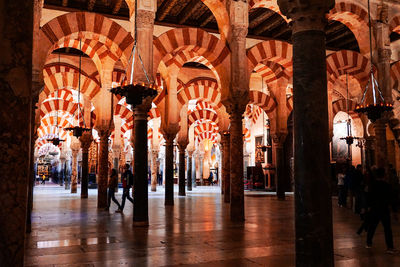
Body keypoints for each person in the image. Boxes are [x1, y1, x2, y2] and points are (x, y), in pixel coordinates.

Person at [366, 167, 397, 253]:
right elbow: (392, 199)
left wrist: (368, 207)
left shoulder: (372, 185)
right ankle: (390, 247)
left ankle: (368, 243)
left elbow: (369, 197)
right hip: (384, 209)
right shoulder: (387, 185)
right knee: (387, 229)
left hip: (374, 209)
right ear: (384, 175)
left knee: (372, 226)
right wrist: (394, 211)